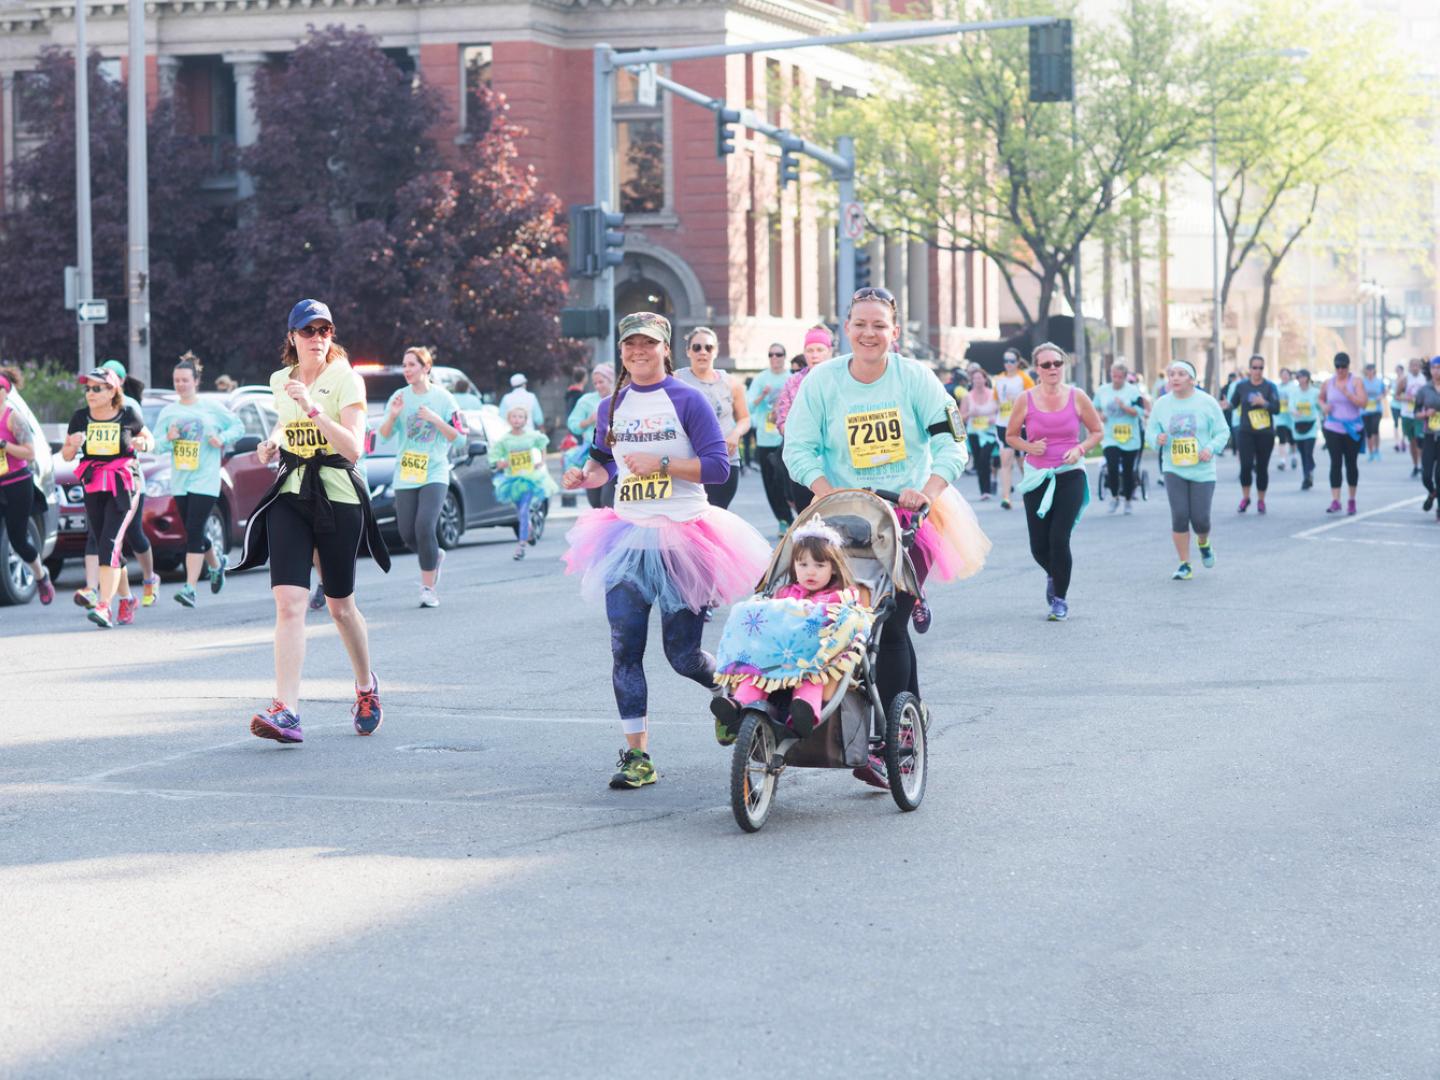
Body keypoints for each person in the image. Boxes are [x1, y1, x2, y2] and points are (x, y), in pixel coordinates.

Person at [782, 287, 990, 784]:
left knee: (890, 622)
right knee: (836, 617)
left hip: (908, 514)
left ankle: (890, 737)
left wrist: (928, 489)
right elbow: (799, 447)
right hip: (841, 514)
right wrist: (825, 491)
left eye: (879, 325)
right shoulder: (822, 381)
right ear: (845, 329)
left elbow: (951, 440)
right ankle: (879, 712)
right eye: (860, 324)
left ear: (894, 332)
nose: (869, 333)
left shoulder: (915, 377)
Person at [560, 312, 770, 790]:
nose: (638, 352)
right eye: (630, 344)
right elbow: (603, 465)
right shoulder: (609, 405)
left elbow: (717, 468)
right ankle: (637, 758)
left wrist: (664, 462)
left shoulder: (688, 399)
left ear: (665, 349)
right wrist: (583, 477)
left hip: (685, 537)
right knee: (624, 647)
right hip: (627, 537)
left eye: (648, 344)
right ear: (621, 351)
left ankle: (730, 694)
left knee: (682, 655)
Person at [235, 299, 390, 744]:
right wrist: (271, 443)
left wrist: (313, 409)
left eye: (325, 330)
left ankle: (365, 686)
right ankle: (287, 710)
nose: (318, 338)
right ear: (292, 338)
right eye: (309, 331)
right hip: (291, 492)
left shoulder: (347, 379)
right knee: (289, 603)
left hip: (338, 496)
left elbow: (353, 448)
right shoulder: (279, 381)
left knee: (341, 606)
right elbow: (288, 430)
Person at [711, 518, 872, 738]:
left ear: (833, 568)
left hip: (813, 658)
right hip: (775, 657)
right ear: (794, 566)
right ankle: (737, 705)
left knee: (813, 679)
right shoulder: (785, 593)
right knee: (753, 672)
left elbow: (848, 621)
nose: (810, 572)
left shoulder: (840, 595)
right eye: (803, 565)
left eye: (819, 565)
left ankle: (803, 713)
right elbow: (772, 619)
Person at [1008, 343, 1103, 620]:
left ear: (1064, 366)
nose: (1053, 369)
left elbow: (1097, 431)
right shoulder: (1025, 399)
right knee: (1039, 546)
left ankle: (1059, 599)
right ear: (1037, 368)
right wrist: (1029, 447)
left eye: (1057, 363)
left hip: (1069, 474)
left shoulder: (1078, 396)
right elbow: (1011, 435)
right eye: (1046, 364)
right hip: (1037, 475)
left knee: (1059, 539)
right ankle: (1053, 573)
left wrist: (1080, 449)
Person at [150, 353, 244, 607]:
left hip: (206, 478)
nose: (180, 384)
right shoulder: (169, 412)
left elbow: (238, 427)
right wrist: (167, 438)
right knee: (195, 531)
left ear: (196, 381)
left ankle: (190, 588)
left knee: (193, 532)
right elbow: (155, 446)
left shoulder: (211, 407)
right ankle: (216, 564)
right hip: (181, 480)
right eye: (176, 380)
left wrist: (222, 439)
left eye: (184, 380)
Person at [61, 368, 151, 627]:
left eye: (96, 388)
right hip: (93, 484)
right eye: (87, 388)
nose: (90, 393)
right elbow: (66, 455)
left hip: (123, 484)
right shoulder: (80, 418)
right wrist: (73, 445)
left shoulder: (127, 414)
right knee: (105, 544)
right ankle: (127, 599)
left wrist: (143, 444)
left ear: (112, 390)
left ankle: (104, 606)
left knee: (109, 543)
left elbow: (148, 439)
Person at [378, 345, 464, 606]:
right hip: (407, 473)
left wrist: (437, 420)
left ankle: (428, 589)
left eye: (411, 365)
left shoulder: (444, 398)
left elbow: (459, 437)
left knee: (425, 526)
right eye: (404, 365)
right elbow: (383, 436)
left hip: (435, 471)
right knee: (407, 533)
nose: (406, 370)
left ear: (426, 368)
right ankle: (433, 556)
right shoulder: (399, 397)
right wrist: (393, 416)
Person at [1145, 360, 1230, 580]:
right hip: (1174, 468)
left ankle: (1203, 542)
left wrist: (1211, 448)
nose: (1175, 378)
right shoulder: (1162, 404)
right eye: (1172, 374)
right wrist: (1157, 438)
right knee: (1180, 516)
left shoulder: (1206, 402)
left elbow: (1223, 431)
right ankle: (1184, 564)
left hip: (1202, 469)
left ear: (1191, 379)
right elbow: (1151, 431)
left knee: (1200, 519)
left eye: (1181, 374)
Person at [674, 326, 751, 509]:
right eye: (697, 347)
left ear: (715, 351)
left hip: (724, 460)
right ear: (688, 351)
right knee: (690, 516)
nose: (703, 352)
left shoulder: (731, 383)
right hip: (688, 461)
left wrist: (735, 434)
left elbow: (745, 419)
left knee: (717, 514)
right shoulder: (676, 380)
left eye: (708, 348)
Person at [0, 367, 56, 604]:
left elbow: (30, 453)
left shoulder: (13, 417)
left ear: (5, 391)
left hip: (17, 483)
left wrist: (4, 445)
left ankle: (41, 577)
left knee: (18, 539)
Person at [774, 326, 835, 516]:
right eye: (810, 350)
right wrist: (799, 434)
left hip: (834, 459)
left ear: (829, 351)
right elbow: (782, 418)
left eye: (819, 350)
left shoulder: (840, 378)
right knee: (806, 515)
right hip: (803, 456)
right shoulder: (794, 382)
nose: (814, 355)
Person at [492, 403, 557, 560]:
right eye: (513, 417)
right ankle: (529, 531)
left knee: (523, 511)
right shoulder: (504, 440)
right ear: (509, 419)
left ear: (525, 420)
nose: (517, 420)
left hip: (529, 479)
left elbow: (542, 442)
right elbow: (495, 457)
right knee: (521, 512)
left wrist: (542, 460)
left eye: (520, 417)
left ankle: (521, 546)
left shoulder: (531, 435)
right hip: (512, 481)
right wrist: (501, 463)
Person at [1222, 354, 1280, 514]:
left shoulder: (1270, 387)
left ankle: (1261, 500)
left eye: (1261, 368)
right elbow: (1233, 404)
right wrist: (1226, 405)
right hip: (1246, 432)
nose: (1257, 371)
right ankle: (1245, 498)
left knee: (1262, 468)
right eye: (1254, 367)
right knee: (1246, 466)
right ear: (1250, 369)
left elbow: (1277, 409)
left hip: (1265, 433)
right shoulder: (1242, 386)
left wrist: (1264, 403)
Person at [748, 342, 794, 535]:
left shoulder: (791, 378)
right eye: (771, 355)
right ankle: (784, 520)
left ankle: (794, 516)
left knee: (787, 482)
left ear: (785, 356)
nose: (775, 358)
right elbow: (749, 407)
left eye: (779, 354)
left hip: (786, 438)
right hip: (766, 439)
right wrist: (762, 395)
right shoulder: (761, 379)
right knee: (771, 484)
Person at [1094, 361, 1147, 514]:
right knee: (1111, 465)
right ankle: (1115, 496)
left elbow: (1140, 412)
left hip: (1130, 437)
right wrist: (1100, 416)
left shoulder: (1133, 391)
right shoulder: (1102, 391)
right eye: (1114, 376)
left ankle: (1128, 500)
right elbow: (1094, 408)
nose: (1116, 379)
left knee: (1129, 470)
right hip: (1111, 436)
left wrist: (1123, 406)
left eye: (1119, 377)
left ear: (1125, 377)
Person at [565, 363, 617, 510]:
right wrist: (590, 420)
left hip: (615, 454)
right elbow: (572, 424)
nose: (598, 386)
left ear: (611, 380)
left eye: (601, 382)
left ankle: (611, 529)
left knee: (607, 501)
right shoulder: (586, 401)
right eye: (595, 383)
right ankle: (602, 529)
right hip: (593, 453)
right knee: (594, 501)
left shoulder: (621, 397)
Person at [1319, 352, 1366, 515]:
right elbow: (1320, 398)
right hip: (1333, 427)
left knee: (1351, 464)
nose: (1340, 370)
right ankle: (1335, 500)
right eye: (1337, 366)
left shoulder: (1356, 382)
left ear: (1348, 366)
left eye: (1343, 366)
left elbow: (1363, 403)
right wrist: (1323, 406)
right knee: (1335, 463)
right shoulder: (1328, 383)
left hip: (1352, 429)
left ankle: (1351, 500)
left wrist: (1347, 393)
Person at [993, 349, 1029, 509]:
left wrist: (1018, 403)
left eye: (1012, 361)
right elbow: (996, 401)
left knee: (1023, 463)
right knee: (1005, 461)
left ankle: (1031, 490)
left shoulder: (1024, 378)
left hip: (1020, 425)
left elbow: (1033, 399)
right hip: (1002, 424)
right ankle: (1006, 497)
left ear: (1018, 362)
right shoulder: (999, 379)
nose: (1008, 364)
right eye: (1006, 360)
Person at [960, 364, 1000, 500]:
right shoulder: (967, 397)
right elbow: (959, 417)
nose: (977, 381)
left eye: (979, 378)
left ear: (985, 379)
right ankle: (984, 491)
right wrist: (970, 413)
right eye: (974, 378)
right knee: (979, 461)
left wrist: (994, 419)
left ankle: (987, 489)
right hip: (974, 433)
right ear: (972, 381)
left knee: (985, 458)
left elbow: (1002, 413)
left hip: (989, 433)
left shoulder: (993, 394)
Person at [1414, 356, 1440, 520]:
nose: (1436, 371)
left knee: (1439, 476)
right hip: (1430, 435)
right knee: (1426, 475)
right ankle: (1432, 493)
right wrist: (1425, 414)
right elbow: (1415, 413)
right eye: (1433, 368)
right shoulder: (1424, 390)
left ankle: (1439, 508)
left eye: (1439, 368)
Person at [1287, 369, 1322, 489]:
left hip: (1311, 425)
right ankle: (1306, 477)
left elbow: (1320, 406)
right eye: (1298, 377)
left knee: (1308, 452)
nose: (1300, 379)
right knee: (1302, 453)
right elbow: (1290, 406)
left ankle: (1309, 472)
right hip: (1298, 426)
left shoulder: (1315, 392)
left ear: (1307, 378)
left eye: (1302, 377)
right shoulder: (1294, 392)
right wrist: (1294, 411)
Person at [1398, 357, 1427, 477]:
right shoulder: (1405, 380)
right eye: (1412, 365)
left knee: (1420, 440)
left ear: (1420, 367)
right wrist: (1407, 398)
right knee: (1412, 442)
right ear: (1409, 367)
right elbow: (1397, 395)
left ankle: (1422, 465)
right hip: (1407, 414)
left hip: (1420, 414)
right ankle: (1415, 465)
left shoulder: (1424, 379)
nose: (1415, 367)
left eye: (1417, 365)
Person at [1361, 361, 1386, 462]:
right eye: (1368, 370)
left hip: (1377, 410)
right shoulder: (1362, 382)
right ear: (1366, 371)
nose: (1370, 372)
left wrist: (1380, 397)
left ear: (1374, 371)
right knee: (1368, 432)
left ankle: (1377, 450)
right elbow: (1358, 393)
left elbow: (1384, 392)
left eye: (1372, 370)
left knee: (1375, 428)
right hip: (1365, 410)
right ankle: (1371, 452)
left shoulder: (1379, 381)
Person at [1275, 367, 1297, 471]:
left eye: (1286, 374)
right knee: (1282, 439)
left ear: (1289, 376)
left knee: (1292, 440)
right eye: (1282, 374)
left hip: (1291, 418)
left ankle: (1293, 457)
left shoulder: (1294, 387)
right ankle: (1282, 461)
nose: (1284, 376)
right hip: (1280, 417)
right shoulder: (1277, 387)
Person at [1391, 363, 1408, 455]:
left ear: (1402, 371)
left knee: (1403, 425)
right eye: (1396, 370)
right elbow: (1390, 390)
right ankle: (1396, 443)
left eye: (1399, 370)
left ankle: (1403, 441)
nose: (1397, 372)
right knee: (1396, 424)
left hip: (1403, 406)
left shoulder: (1406, 381)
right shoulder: (1393, 381)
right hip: (1394, 405)